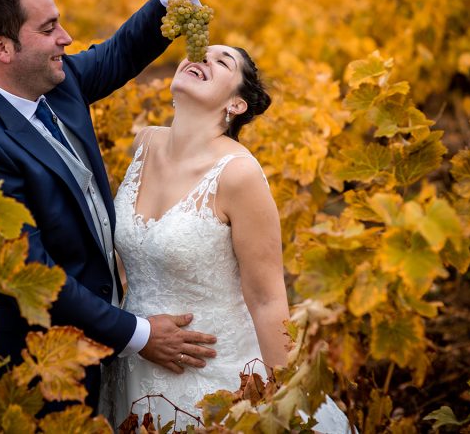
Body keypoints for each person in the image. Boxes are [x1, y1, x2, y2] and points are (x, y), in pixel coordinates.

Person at [0, 0, 218, 412]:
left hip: (90, 341)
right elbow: (36, 275)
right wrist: (137, 335)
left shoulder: (50, 81)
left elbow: (119, 52)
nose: (65, 38)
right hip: (29, 373)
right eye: (49, 29)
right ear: (2, 47)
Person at [100, 45, 352, 433]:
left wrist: (282, 396)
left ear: (235, 105)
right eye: (199, 53)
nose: (202, 59)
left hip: (214, 371)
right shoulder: (144, 143)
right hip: (136, 357)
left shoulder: (239, 175)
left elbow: (268, 299)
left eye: (222, 62)